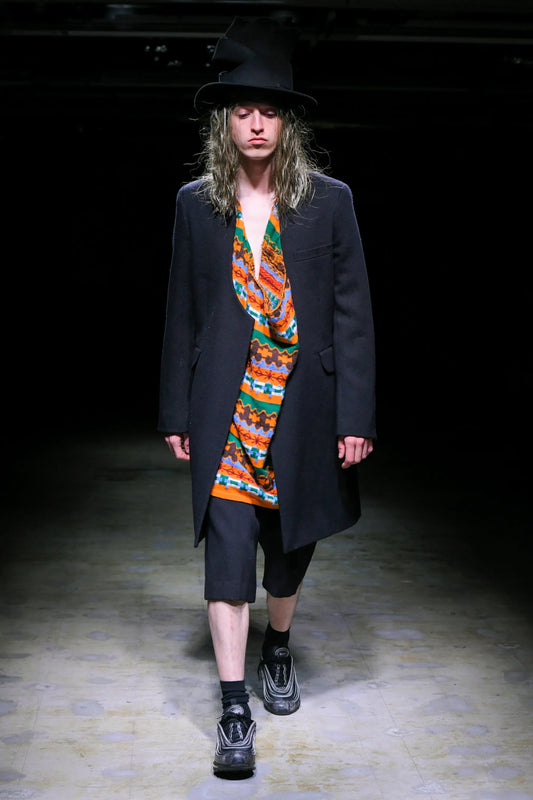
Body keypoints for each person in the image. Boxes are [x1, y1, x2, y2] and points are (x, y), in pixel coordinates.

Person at [158, 16, 376, 778]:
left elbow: (352, 315)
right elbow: (181, 312)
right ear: (224, 123)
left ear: (287, 123)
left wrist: (355, 414)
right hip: (226, 405)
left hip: (302, 406)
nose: (255, 124)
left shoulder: (329, 202)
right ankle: (232, 709)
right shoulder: (196, 204)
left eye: (269, 111)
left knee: (287, 549)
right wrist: (175, 409)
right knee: (226, 554)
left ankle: (276, 647)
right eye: (242, 111)